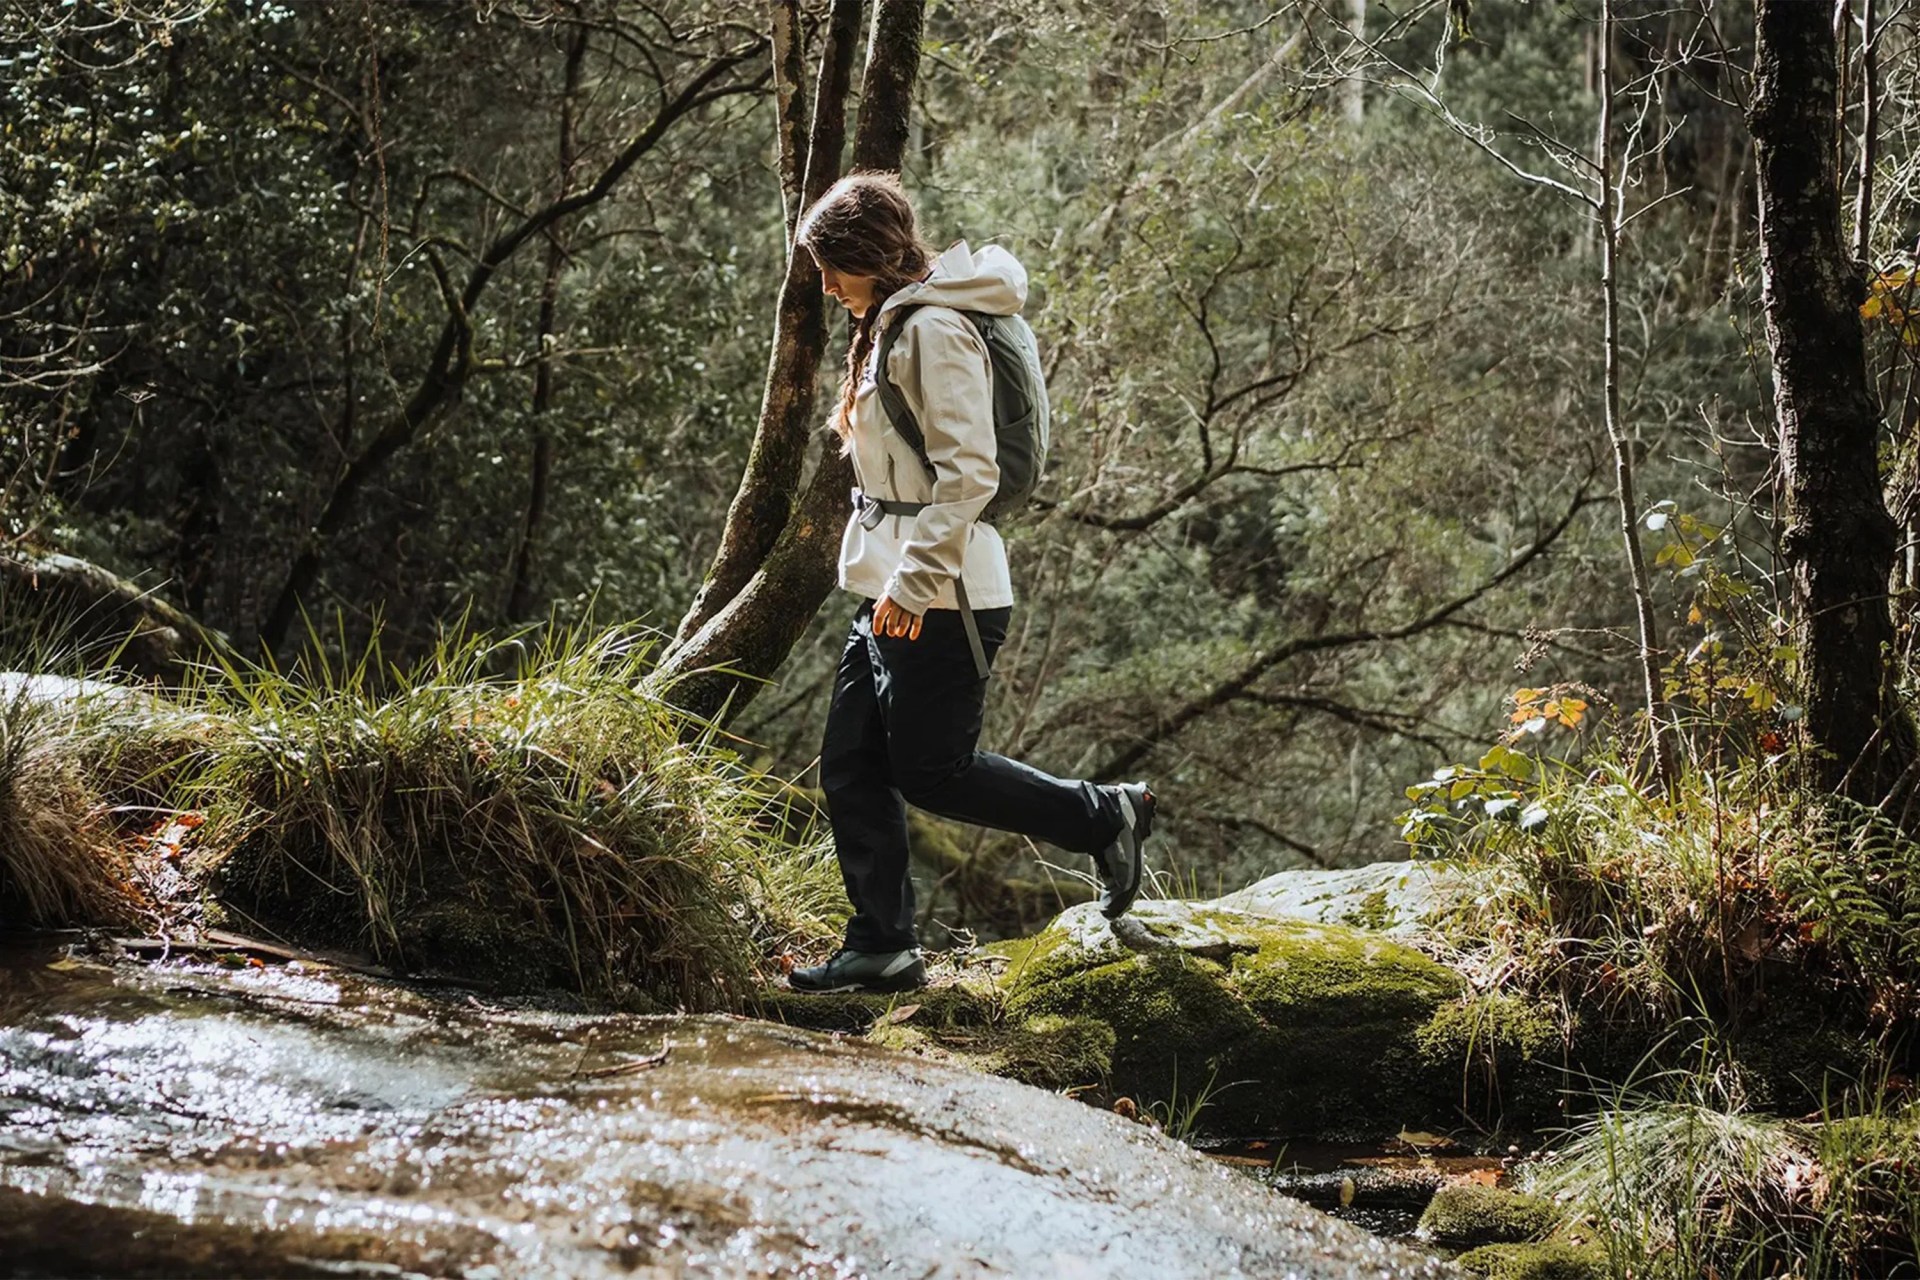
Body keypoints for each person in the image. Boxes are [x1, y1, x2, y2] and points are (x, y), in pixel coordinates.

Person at [787, 173, 1156, 996]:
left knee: (933, 770)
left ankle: (1105, 815)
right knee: (850, 765)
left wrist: (913, 589)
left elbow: (970, 476)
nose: (824, 286)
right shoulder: (894, 323)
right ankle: (881, 943)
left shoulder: (936, 329)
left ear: (864, 256)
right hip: (896, 587)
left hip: (942, 596)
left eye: (828, 267)